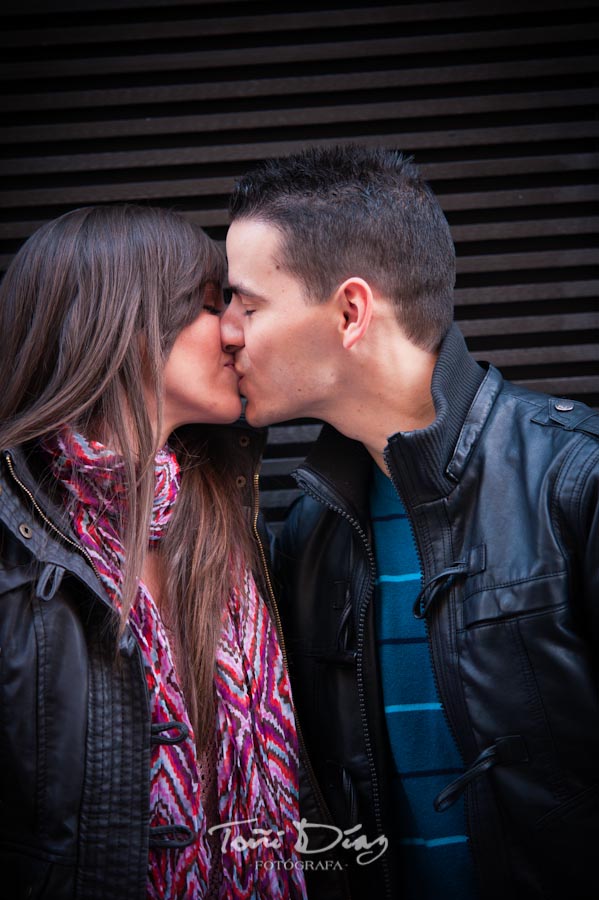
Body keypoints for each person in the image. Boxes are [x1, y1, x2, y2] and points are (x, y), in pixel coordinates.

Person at [220, 145, 599, 900]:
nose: (225, 331)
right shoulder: (309, 535)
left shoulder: (575, 480)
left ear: (351, 312)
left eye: (248, 304)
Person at [0, 204, 307, 900]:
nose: (236, 330)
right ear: (121, 326)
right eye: (208, 305)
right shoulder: (12, 549)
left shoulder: (228, 527)